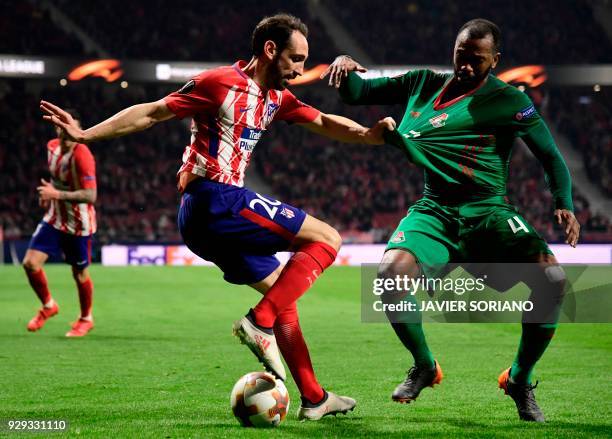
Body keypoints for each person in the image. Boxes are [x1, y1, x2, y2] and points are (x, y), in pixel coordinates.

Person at [40, 14, 393, 420]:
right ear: (270, 50)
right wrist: (86, 135)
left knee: (284, 297)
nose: (299, 70)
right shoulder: (219, 83)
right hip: (215, 198)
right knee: (328, 238)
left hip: (207, 219)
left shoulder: (277, 98)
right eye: (295, 59)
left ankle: (314, 397)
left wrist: (367, 135)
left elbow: (326, 122)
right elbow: (153, 112)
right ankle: (258, 324)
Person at [322, 18, 580, 422]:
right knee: (390, 275)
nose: (465, 66)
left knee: (552, 280)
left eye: (477, 60)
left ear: (495, 60)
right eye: (461, 55)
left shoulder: (510, 101)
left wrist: (563, 203)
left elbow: (550, 156)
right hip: (435, 210)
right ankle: (424, 366)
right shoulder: (422, 82)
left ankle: (519, 379)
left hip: (490, 211)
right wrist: (342, 65)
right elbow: (358, 93)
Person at [24, 110, 97, 337]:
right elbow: (57, 182)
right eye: (62, 126)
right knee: (30, 263)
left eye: (70, 126)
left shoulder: (82, 155)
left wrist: (56, 194)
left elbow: (90, 195)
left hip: (78, 223)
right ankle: (48, 306)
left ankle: (86, 318)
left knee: (79, 273)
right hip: (55, 217)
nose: (65, 130)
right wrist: (48, 194)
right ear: (57, 128)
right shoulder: (51, 147)